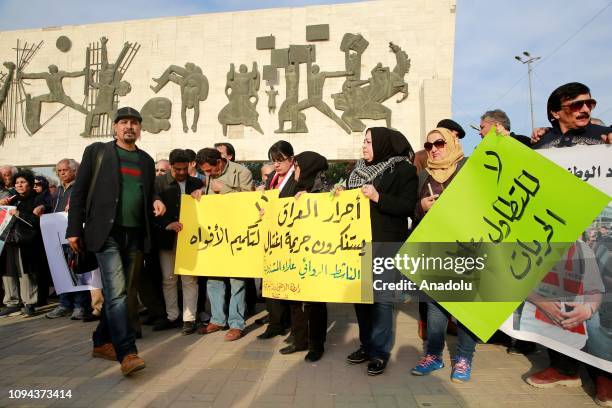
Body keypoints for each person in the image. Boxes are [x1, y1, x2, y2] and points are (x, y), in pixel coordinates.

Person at [525, 82, 611, 406]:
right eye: (575, 105)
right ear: (555, 112)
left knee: (599, 306)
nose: (585, 109)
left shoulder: (603, 137)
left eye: (589, 103)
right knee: (556, 300)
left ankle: (604, 375)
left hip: (599, 238)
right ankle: (564, 368)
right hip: (555, 240)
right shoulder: (543, 144)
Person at [66, 106, 166, 376]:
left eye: (134, 123)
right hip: (106, 234)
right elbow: (79, 192)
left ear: (140, 129)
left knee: (116, 294)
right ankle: (127, 352)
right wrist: (73, 228)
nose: (129, 127)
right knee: (119, 293)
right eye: (123, 122)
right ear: (114, 127)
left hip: (134, 235)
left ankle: (101, 342)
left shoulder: (145, 160)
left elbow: (150, 191)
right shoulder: (97, 152)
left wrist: (156, 199)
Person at [344, 127, 418, 376]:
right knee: (362, 300)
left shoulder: (404, 169)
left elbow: (408, 206)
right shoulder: (357, 171)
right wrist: (338, 195)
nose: (363, 146)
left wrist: (378, 196)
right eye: (363, 141)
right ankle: (366, 345)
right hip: (357, 244)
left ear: (383, 144)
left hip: (385, 243)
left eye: (368, 142)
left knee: (383, 301)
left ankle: (379, 353)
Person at [410, 128, 478, 383]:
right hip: (435, 249)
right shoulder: (424, 174)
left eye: (439, 143)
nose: (434, 149)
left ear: (451, 143)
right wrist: (421, 207)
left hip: (468, 247)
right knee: (435, 306)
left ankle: (464, 357)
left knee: (467, 306)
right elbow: (412, 209)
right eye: (429, 146)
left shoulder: (470, 167)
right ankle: (434, 355)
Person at [194, 148, 252, 341]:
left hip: (238, 236)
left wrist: (224, 190)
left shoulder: (242, 172)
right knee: (214, 279)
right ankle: (217, 319)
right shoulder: (208, 177)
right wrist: (200, 192)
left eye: (210, 171)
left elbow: (250, 201)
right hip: (216, 237)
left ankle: (236, 324)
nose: (208, 175)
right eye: (205, 172)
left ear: (219, 162)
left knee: (237, 281)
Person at [278, 151, 329, 362]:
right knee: (295, 298)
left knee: (315, 302)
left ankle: (316, 345)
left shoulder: (324, 189)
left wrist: (311, 201)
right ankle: (299, 340)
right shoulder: (295, 187)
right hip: (295, 251)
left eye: (298, 167)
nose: (295, 171)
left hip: (317, 254)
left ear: (307, 168)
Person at [153, 149, 203, 335]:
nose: (181, 173)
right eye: (177, 169)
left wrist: (202, 192)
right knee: (169, 278)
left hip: (190, 239)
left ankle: (189, 319)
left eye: (184, 169)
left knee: (189, 279)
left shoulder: (197, 182)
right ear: (171, 166)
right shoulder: (158, 182)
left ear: (190, 165)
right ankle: (172, 316)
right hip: (167, 238)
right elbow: (152, 209)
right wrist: (167, 225)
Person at [45, 159, 95, 321]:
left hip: (74, 236)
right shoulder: (58, 190)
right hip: (57, 235)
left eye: (65, 170)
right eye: (59, 171)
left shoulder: (81, 188)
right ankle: (64, 304)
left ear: (75, 171)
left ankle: (80, 305)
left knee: (77, 271)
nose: (61, 173)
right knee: (61, 271)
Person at [257, 141, 296, 339]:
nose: (277, 165)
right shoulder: (272, 177)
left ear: (291, 159)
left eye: (280, 160)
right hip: (271, 237)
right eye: (274, 161)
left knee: (287, 282)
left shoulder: (298, 178)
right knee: (270, 281)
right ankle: (275, 324)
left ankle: (289, 323)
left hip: (290, 238)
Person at [0, 170, 43, 317]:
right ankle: (11, 302)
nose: (19, 185)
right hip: (9, 240)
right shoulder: (12, 199)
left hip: (26, 242)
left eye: (23, 182)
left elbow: (35, 221)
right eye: (17, 182)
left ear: (30, 184)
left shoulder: (37, 199)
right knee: (8, 271)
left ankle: (29, 302)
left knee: (25, 273)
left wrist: (19, 214)